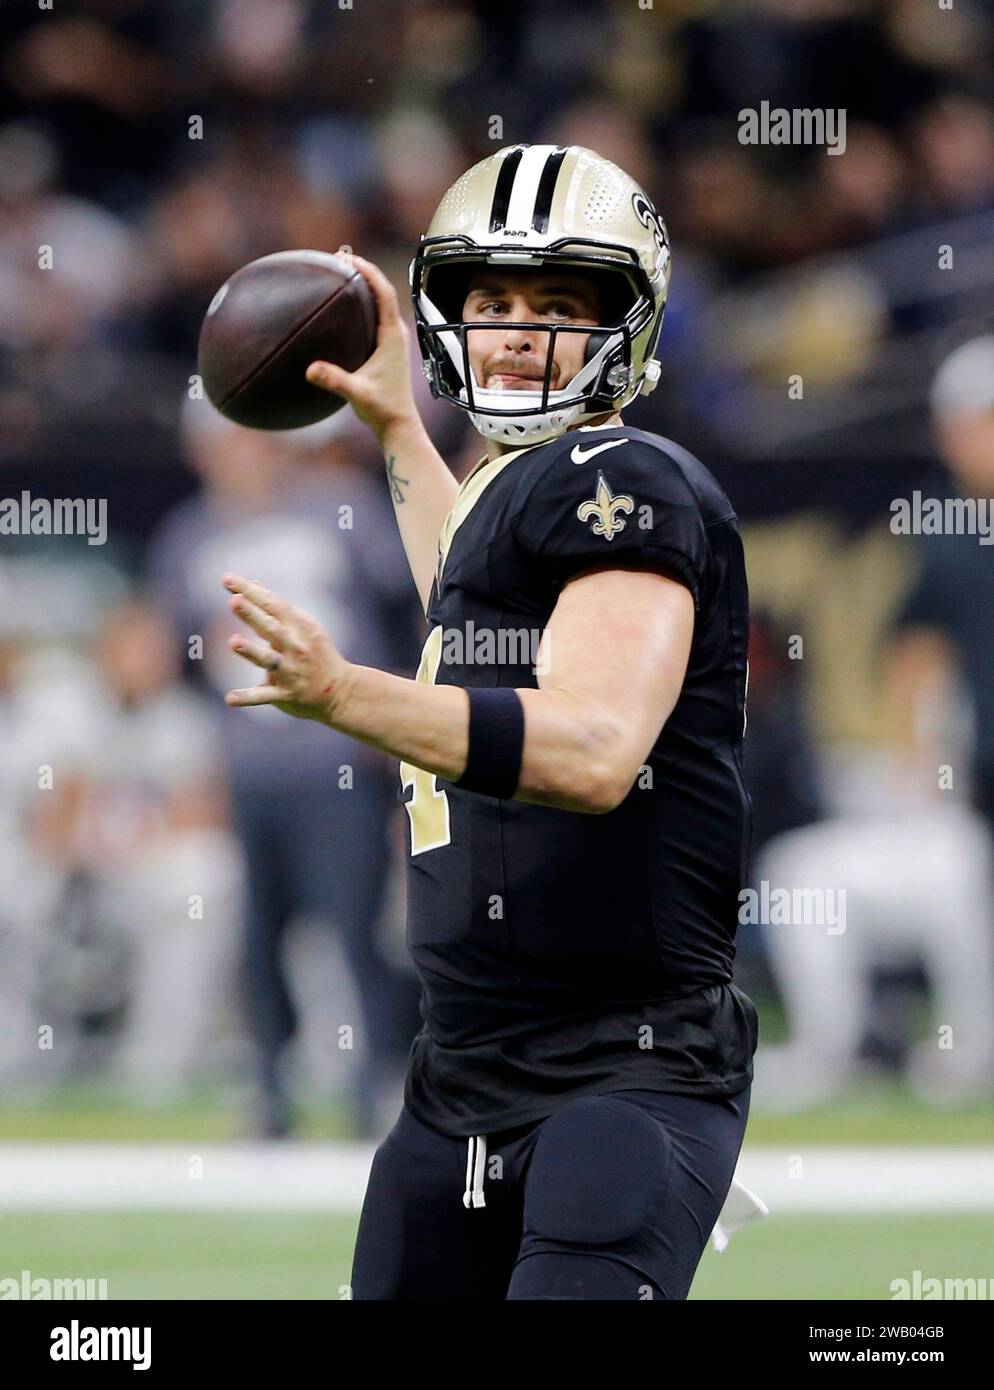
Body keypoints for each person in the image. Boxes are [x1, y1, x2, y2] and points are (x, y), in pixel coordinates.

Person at [222, 145, 760, 1298]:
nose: (515, 332)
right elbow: (471, 626)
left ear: (628, 324)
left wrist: (343, 695)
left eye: (557, 305)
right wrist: (395, 432)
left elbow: (593, 748)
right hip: (460, 1070)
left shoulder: (631, 478)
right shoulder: (515, 486)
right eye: (492, 301)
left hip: (618, 1068)